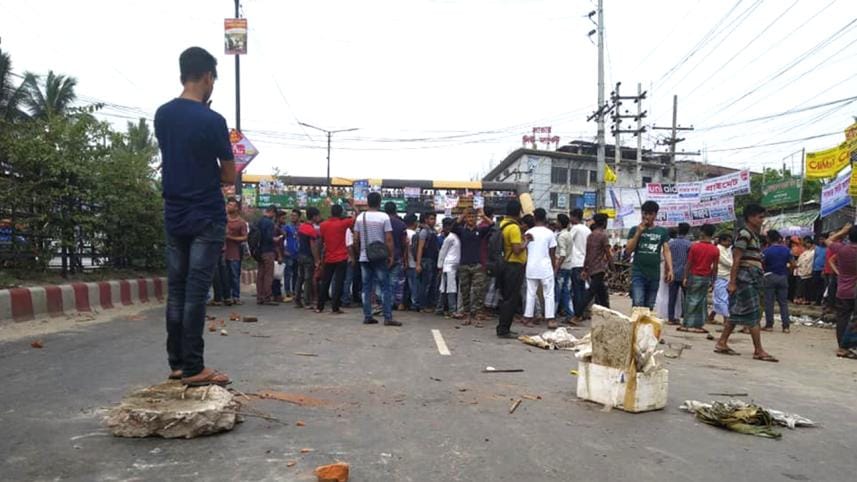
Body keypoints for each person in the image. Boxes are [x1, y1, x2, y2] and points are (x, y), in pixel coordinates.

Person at [155, 46, 234, 386]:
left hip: (174, 213)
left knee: (177, 289)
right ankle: (194, 368)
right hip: (205, 214)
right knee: (196, 292)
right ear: (207, 77)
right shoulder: (213, 120)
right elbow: (229, 175)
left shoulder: (163, 115)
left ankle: (177, 363)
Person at [714, 203, 777, 362]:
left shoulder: (752, 235)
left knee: (736, 312)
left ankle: (722, 342)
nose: (762, 220)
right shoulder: (745, 234)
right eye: (760, 217)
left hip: (750, 276)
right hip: (746, 277)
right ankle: (758, 350)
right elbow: (737, 258)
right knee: (753, 313)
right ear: (750, 217)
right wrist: (732, 282)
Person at [354, 192, 400, 326]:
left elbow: (356, 238)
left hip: (365, 256)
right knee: (385, 287)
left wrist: (360, 253)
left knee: (366, 287)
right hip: (380, 257)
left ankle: (367, 316)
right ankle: (387, 317)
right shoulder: (384, 217)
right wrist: (391, 255)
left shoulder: (360, 217)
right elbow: (389, 239)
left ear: (367, 202)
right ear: (380, 203)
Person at [626, 201, 673, 309]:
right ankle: (636, 326)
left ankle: (645, 326)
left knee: (649, 306)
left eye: (650, 214)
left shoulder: (662, 231)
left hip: (654, 274)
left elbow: (666, 251)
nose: (647, 216)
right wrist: (638, 233)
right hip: (638, 273)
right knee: (638, 303)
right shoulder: (634, 230)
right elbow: (628, 250)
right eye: (645, 213)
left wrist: (670, 269)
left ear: (655, 215)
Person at [451, 208, 493, 324]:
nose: (471, 219)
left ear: (476, 218)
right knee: (465, 291)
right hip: (464, 264)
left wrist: (483, 216)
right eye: (469, 217)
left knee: (478, 291)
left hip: (477, 265)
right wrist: (462, 215)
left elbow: (493, 226)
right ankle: (467, 315)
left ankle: (478, 316)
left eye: (473, 217)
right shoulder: (461, 231)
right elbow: (453, 227)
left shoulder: (480, 230)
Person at [679, 224, 719, 333]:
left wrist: (685, 276)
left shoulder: (695, 247)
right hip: (706, 277)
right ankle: (698, 325)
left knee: (690, 300)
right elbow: (715, 267)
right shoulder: (715, 249)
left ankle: (686, 324)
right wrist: (714, 280)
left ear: (702, 233)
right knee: (701, 301)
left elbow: (689, 263)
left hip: (694, 275)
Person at [497, 200, 527, 339]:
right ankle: (504, 329)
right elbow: (516, 249)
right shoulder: (514, 228)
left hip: (504, 265)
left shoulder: (503, 224)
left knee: (506, 297)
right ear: (518, 211)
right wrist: (526, 241)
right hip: (513, 266)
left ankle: (502, 326)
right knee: (511, 298)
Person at [316, 204, 354, 314]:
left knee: (325, 282)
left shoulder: (323, 225)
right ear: (341, 213)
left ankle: (320, 306)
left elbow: (321, 241)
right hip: (341, 257)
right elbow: (356, 218)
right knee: (339, 283)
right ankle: (335, 307)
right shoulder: (343, 223)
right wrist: (354, 206)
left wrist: (319, 257)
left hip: (328, 257)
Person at [524, 208, 557, 328]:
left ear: (534, 218)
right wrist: (554, 268)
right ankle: (550, 319)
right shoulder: (549, 233)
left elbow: (526, 251)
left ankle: (528, 317)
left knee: (530, 293)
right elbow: (552, 253)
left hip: (531, 267)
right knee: (548, 293)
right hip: (545, 267)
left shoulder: (528, 232)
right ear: (545, 218)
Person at [828, 224, 857, 359]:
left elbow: (829, 241)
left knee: (842, 318)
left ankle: (842, 346)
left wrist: (843, 231)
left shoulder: (842, 249)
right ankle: (849, 346)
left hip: (843, 289)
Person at [761, 230, 792, 332]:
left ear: (768, 239)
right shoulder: (786, 250)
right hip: (783, 277)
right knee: (783, 303)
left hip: (769, 276)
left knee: (769, 302)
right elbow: (794, 264)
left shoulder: (766, 251)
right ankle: (786, 326)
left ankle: (769, 325)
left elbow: (761, 264)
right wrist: (787, 272)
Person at [580, 213, 611, 310]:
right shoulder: (603, 236)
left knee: (602, 294)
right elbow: (608, 254)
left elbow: (587, 254)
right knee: (591, 292)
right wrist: (613, 268)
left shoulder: (590, 236)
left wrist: (585, 269)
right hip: (599, 269)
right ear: (604, 223)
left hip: (591, 268)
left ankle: (608, 313)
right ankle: (577, 314)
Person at [384, 202, 409, 310]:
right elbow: (404, 243)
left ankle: (383, 303)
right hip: (397, 256)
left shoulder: (381, 222)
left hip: (382, 256)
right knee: (394, 282)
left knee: (382, 281)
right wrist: (405, 257)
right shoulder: (401, 224)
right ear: (395, 211)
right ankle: (394, 303)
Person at [294, 207, 320, 309]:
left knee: (300, 278)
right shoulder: (311, 230)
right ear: (314, 217)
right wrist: (317, 259)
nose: (319, 218)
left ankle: (297, 299)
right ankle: (307, 301)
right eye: (318, 216)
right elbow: (313, 246)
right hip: (308, 257)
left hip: (300, 255)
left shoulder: (301, 227)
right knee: (308, 279)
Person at [568, 209, 590, 323]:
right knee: (582, 289)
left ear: (575, 216)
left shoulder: (575, 228)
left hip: (576, 262)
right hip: (584, 262)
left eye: (570, 216)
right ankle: (582, 313)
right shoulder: (587, 229)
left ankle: (577, 314)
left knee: (576, 290)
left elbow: (568, 241)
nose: (569, 219)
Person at [667, 223, 692, 325]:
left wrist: (667, 272)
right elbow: (690, 261)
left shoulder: (671, 244)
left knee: (672, 297)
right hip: (685, 274)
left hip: (672, 272)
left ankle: (671, 318)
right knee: (687, 297)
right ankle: (686, 318)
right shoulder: (689, 244)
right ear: (687, 231)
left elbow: (667, 258)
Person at [436, 218, 461, 316]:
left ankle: (440, 308)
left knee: (445, 288)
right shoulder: (450, 238)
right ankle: (452, 310)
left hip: (452, 266)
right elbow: (442, 252)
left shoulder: (455, 237)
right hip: (448, 266)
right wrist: (440, 266)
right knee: (450, 288)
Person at [224, 198, 247, 305]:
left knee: (234, 275)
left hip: (234, 252)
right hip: (222, 251)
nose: (229, 207)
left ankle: (236, 296)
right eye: (228, 205)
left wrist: (231, 238)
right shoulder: (223, 219)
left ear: (236, 208)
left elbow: (245, 237)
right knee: (224, 275)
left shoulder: (241, 222)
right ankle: (225, 296)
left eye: (232, 205)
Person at [415, 212, 439, 313]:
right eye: (431, 219)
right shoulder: (424, 232)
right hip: (426, 260)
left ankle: (428, 305)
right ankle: (422, 305)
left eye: (434, 219)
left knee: (432, 283)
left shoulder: (433, 231)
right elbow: (420, 248)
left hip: (433, 260)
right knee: (426, 284)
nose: (433, 221)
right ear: (426, 220)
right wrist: (418, 264)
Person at [554, 214, 575, 321]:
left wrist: (556, 268)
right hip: (569, 266)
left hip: (562, 266)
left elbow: (562, 254)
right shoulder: (569, 235)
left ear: (560, 223)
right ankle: (570, 313)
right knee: (566, 291)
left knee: (557, 291)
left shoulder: (561, 236)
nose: (555, 223)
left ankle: (552, 314)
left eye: (557, 221)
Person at [255, 206, 278, 305]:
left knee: (260, 274)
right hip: (268, 250)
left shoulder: (258, 221)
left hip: (259, 251)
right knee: (268, 274)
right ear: (272, 212)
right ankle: (267, 297)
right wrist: (276, 239)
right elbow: (269, 238)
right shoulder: (269, 223)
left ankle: (260, 296)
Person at [709, 233, 732, 324]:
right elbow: (728, 263)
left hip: (726, 276)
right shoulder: (718, 249)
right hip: (720, 276)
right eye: (728, 241)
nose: (730, 243)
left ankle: (711, 316)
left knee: (720, 297)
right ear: (722, 241)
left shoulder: (726, 249)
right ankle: (726, 319)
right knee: (721, 298)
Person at [282, 209, 301, 301]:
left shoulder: (301, 227)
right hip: (289, 252)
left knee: (296, 274)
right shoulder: (287, 227)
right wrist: (284, 250)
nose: (293, 217)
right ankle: (287, 291)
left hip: (298, 253)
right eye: (292, 215)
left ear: (299, 217)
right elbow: (283, 238)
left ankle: (295, 290)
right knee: (288, 273)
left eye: (295, 215)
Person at [404, 214, 419, 310]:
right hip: (412, 262)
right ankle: (414, 303)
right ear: (414, 223)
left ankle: (406, 302)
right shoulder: (413, 234)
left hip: (406, 262)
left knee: (407, 285)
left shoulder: (404, 232)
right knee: (414, 285)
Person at [795, 237, 815, 305]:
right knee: (800, 286)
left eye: (808, 243)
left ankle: (806, 299)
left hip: (808, 270)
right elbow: (800, 261)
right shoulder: (804, 252)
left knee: (806, 286)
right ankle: (799, 297)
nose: (806, 244)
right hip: (801, 270)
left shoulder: (813, 252)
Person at [812, 234, 827, 306]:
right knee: (815, 284)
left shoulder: (827, 249)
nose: (821, 241)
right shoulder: (817, 248)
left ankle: (819, 301)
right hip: (816, 269)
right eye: (820, 239)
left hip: (823, 270)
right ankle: (816, 300)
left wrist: (824, 269)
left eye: (822, 239)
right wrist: (813, 267)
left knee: (822, 286)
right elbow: (814, 258)